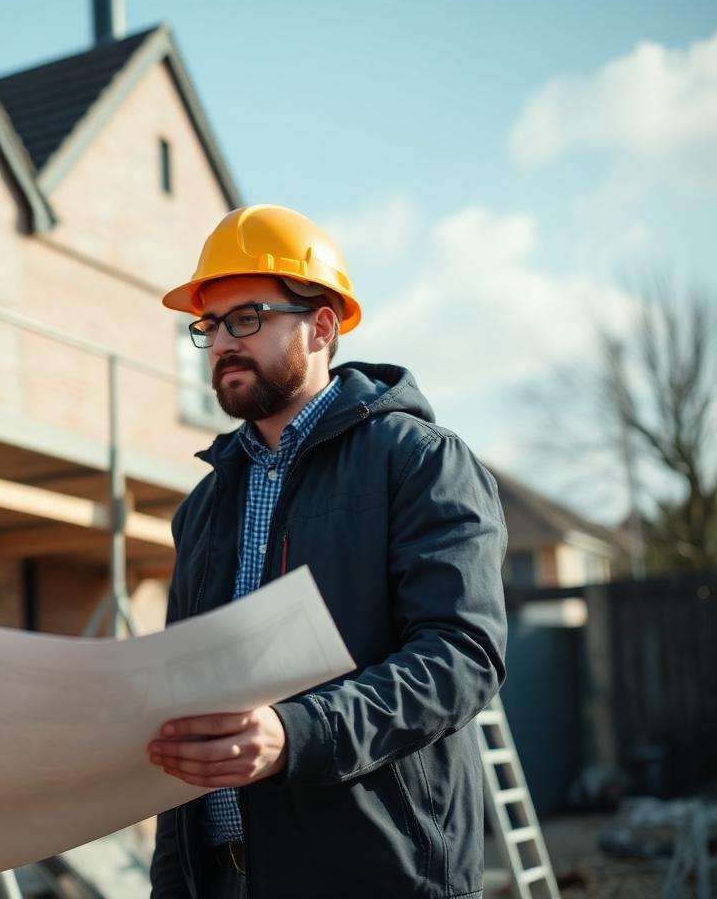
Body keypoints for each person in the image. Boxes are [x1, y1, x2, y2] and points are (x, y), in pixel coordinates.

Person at [147, 205, 507, 898]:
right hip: (222, 879)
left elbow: (462, 656)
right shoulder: (203, 508)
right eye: (209, 325)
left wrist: (295, 733)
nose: (222, 341)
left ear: (321, 326)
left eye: (246, 317)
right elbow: (183, 703)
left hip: (376, 875)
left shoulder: (421, 462)